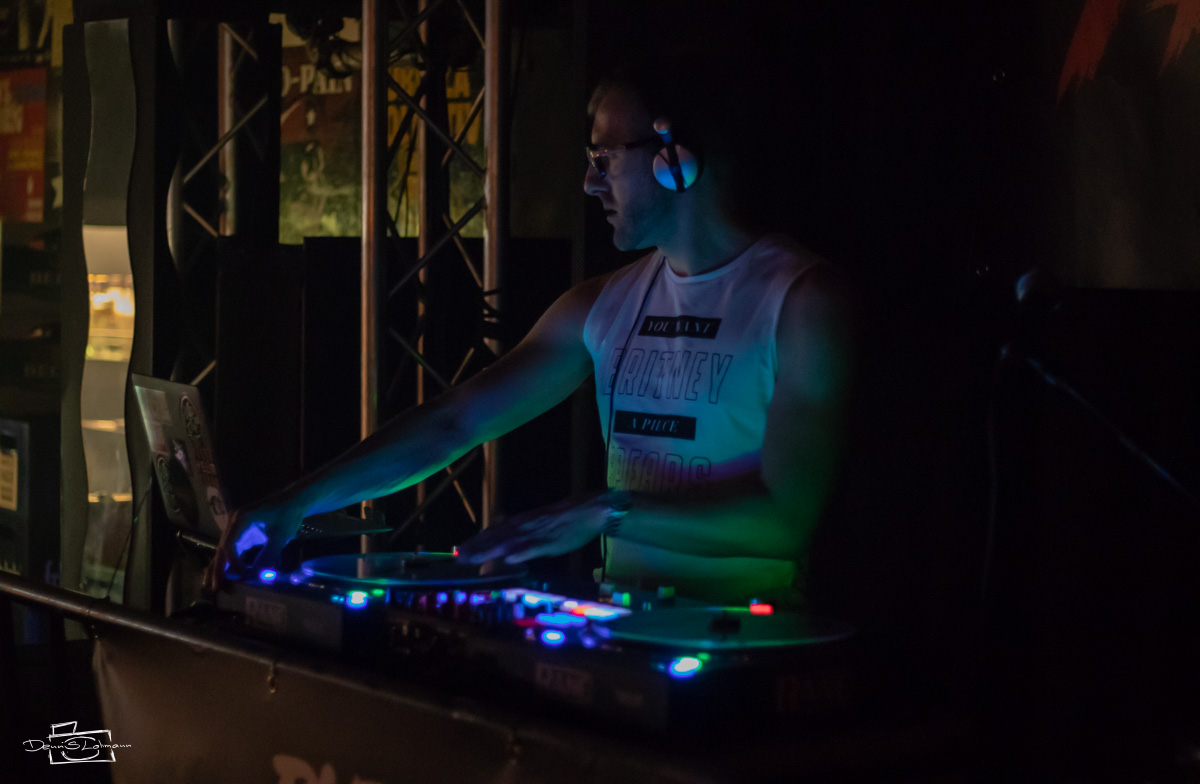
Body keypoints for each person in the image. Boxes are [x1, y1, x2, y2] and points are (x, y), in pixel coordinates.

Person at [208, 53, 857, 606]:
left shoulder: (801, 301)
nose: (590, 182)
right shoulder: (600, 304)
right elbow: (455, 422)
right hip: (628, 632)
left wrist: (605, 510)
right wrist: (297, 502)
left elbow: (783, 519)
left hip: (751, 648)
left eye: (605, 157)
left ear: (675, 160)